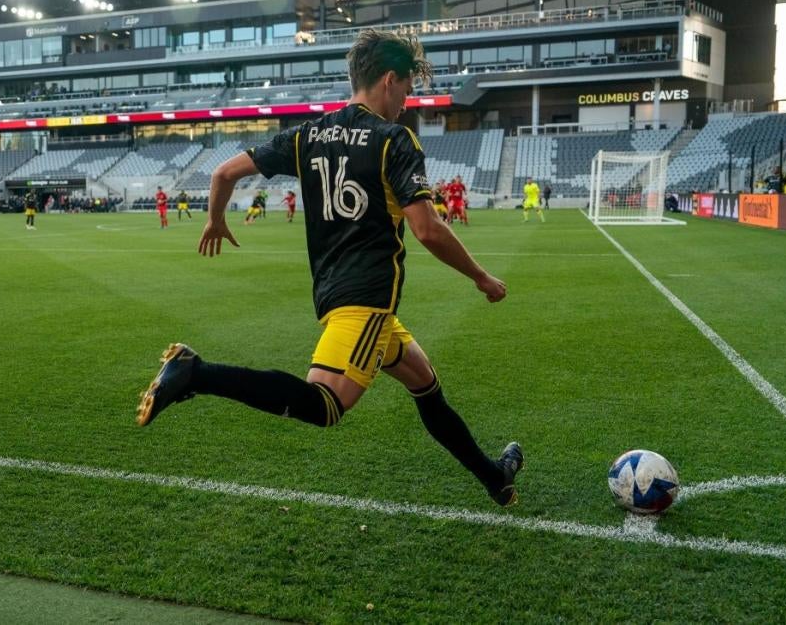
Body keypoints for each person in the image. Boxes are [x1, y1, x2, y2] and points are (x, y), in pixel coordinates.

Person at [136, 28, 524, 507]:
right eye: (406, 87)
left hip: (341, 297)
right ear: (388, 79)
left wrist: (215, 218)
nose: (407, 99)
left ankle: (495, 478)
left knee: (426, 386)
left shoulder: (308, 134)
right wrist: (482, 278)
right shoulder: (393, 140)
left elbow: (222, 173)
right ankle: (196, 373)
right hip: (366, 301)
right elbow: (426, 229)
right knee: (325, 405)